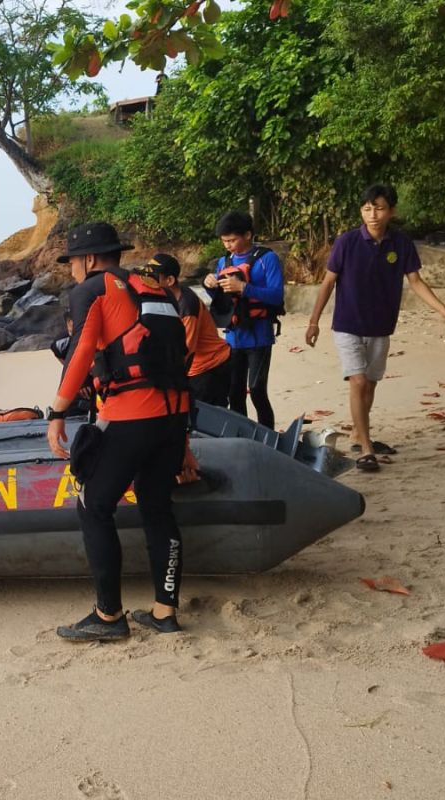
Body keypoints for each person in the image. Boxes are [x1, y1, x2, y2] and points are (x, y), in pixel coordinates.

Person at [46, 222, 191, 641]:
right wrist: (183, 439)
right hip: (173, 416)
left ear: (88, 259)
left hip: (132, 415)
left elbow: (80, 353)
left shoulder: (92, 289)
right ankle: (165, 611)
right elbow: (176, 361)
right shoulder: (155, 288)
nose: (72, 269)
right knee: (157, 506)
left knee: (93, 504)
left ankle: (108, 617)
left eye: (72, 261)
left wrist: (57, 411)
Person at [305, 184, 445, 471]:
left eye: (379, 208)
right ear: (361, 212)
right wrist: (314, 322)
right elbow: (328, 282)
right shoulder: (347, 242)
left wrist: (444, 311)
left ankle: (357, 432)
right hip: (347, 324)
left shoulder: (401, 244)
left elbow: (415, 281)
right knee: (358, 381)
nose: (373, 214)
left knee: (371, 384)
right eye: (367, 209)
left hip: (381, 325)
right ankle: (366, 448)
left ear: (391, 211)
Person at [203, 210, 283, 427]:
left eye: (232, 240)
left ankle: (268, 436)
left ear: (247, 235)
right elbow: (222, 301)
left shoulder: (267, 259)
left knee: (257, 390)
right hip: (233, 337)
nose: (228, 245)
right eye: (224, 241)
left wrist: (244, 288)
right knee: (234, 392)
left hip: (259, 336)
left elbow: (276, 296)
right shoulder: (223, 261)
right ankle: (244, 438)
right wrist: (210, 286)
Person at [141, 253, 232, 408]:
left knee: (208, 419)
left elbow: (186, 350)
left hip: (209, 366)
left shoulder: (187, 307)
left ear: (169, 280)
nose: (148, 284)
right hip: (198, 366)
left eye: (153, 279)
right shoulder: (170, 298)